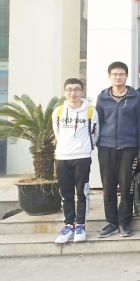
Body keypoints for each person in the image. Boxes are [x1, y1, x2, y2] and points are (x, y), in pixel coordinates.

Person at [96, 61, 140, 239]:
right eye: (115, 74)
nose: (118, 77)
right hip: (106, 147)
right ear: (109, 76)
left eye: (121, 74)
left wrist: (139, 149)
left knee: (126, 187)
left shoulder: (135, 97)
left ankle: (124, 222)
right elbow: (98, 123)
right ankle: (111, 222)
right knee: (108, 187)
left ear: (127, 76)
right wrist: (98, 142)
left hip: (129, 148)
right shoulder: (102, 97)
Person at [52, 78, 99, 244]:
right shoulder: (58, 111)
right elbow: (57, 133)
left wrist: (85, 148)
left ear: (82, 91)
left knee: (82, 192)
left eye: (77, 89)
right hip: (62, 157)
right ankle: (68, 225)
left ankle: (80, 225)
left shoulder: (91, 111)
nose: (73, 93)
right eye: (69, 89)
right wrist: (65, 147)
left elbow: (95, 133)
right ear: (65, 92)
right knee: (66, 193)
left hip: (82, 157)